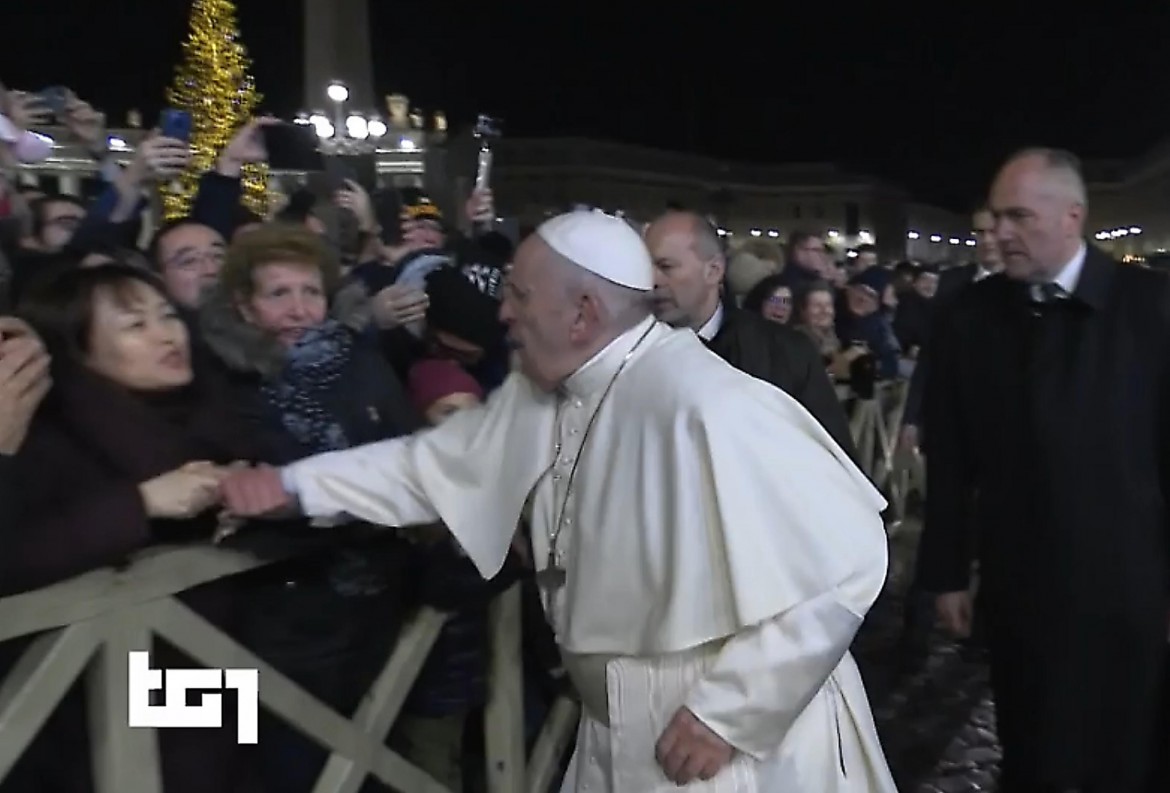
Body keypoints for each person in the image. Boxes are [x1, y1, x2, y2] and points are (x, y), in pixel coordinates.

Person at [222, 210, 896, 792]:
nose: (504, 312)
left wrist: (735, 709)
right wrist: (292, 486)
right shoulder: (549, 388)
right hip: (618, 722)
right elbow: (429, 466)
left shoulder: (707, 401)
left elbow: (850, 557)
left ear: (584, 312)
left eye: (520, 294)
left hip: (722, 736)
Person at [917, 148, 1170, 792]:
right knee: (1034, 755)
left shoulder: (1150, 309)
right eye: (996, 217)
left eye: (1018, 216)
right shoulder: (968, 320)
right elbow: (951, 459)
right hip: (1020, 588)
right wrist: (947, 572)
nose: (998, 233)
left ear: (1071, 217)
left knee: (1129, 754)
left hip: (1131, 589)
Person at [644, 211, 857, 463]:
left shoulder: (788, 352)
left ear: (714, 270)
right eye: (646, 267)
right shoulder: (626, 351)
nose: (653, 280)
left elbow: (834, 459)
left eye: (666, 267)